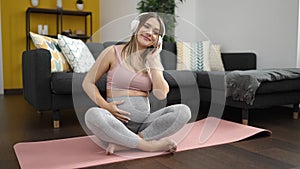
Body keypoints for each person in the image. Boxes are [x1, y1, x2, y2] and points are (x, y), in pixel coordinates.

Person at [83, 12, 191, 155]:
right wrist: (106, 106)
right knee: (92, 115)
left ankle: (130, 142)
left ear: (158, 40)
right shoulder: (112, 52)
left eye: (155, 32)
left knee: (183, 112)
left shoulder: (153, 60)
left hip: (144, 125)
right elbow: (87, 83)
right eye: (146, 26)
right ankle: (148, 146)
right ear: (136, 27)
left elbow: (161, 94)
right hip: (115, 123)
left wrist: (153, 61)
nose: (149, 33)